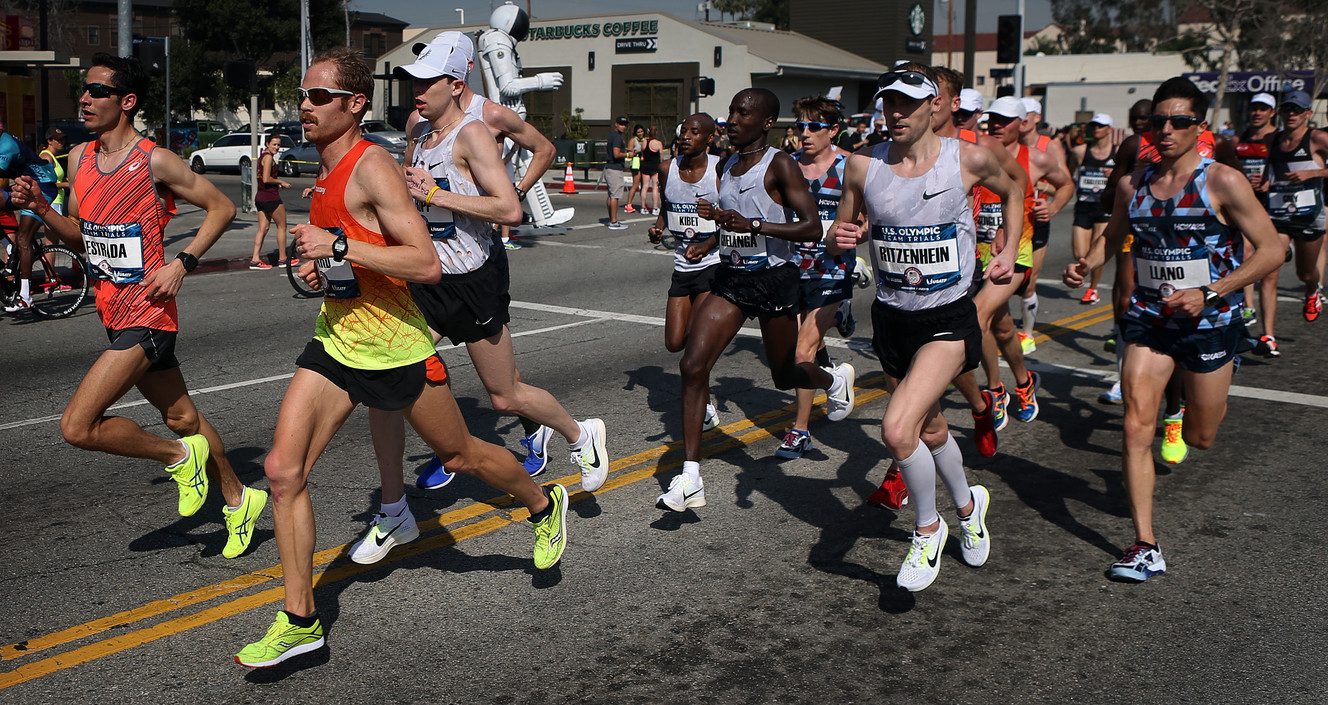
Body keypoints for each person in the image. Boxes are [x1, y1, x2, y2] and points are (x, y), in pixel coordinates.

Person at [234, 47, 569, 668]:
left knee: (460, 455)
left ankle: (543, 505)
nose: (305, 106)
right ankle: (300, 620)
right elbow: (351, 259)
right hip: (338, 339)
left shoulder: (373, 168)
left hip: (395, 344)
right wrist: (319, 266)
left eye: (319, 97)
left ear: (354, 105)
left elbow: (425, 263)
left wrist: (336, 243)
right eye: (303, 97)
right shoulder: (324, 170)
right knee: (283, 471)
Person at [347, 32, 608, 565]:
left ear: (456, 83)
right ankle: (394, 508)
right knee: (386, 377)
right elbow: (411, 190)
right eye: (411, 83)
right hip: (428, 277)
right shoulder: (418, 126)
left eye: (425, 83)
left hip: (474, 279)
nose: (414, 92)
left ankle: (581, 433)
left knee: (505, 397)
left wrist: (437, 194)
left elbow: (510, 210)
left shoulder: (475, 134)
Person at [9, 54, 266, 561]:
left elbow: (223, 207)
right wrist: (42, 207)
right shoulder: (80, 159)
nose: (84, 98)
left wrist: (182, 263)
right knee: (184, 418)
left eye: (97, 91)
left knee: (78, 427)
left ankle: (178, 460)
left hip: (149, 314)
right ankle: (239, 499)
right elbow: (82, 238)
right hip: (111, 311)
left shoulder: (155, 160)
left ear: (125, 102)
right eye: (84, 90)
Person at [1064, 76, 1282, 583]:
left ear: (1198, 126)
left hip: (1211, 321)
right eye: (1157, 121)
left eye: (1178, 121)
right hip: (1149, 317)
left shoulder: (1222, 181)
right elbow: (1113, 236)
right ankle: (1145, 544)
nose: (1165, 129)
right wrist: (1086, 262)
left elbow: (1273, 249)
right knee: (1136, 425)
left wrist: (1212, 291)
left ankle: (1184, 411)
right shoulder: (1131, 183)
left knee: (1203, 438)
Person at [831, 66, 1023, 592]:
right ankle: (969, 506)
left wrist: (1007, 251)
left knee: (897, 431)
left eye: (907, 105)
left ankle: (928, 527)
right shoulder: (863, 165)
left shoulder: (969, 158)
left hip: (947, 319)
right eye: (887, 104)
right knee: (931, 429)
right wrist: (839, 236)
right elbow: (837, 236)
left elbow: (1015, 189)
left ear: (933, 106)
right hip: (892, 317)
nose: (895, 114)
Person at [657, 88, 856, 512]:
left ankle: (833, 380)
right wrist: (716, 230)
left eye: (743, 113)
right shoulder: (726, 165)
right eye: (731, 111)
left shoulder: (779, 164)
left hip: (774, 280)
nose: (732, 119)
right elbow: (735, 223)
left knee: (786, 376)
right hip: (730, 277)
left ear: (766, 123)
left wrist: (757, 224)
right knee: (692, 365)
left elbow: (810, 227)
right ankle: (690, 477)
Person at [975, 96, 1072, 427]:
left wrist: (1053, 207)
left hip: (1018, 250)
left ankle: (994, 390)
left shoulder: (1038, 159)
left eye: (1005, 120)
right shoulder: (976, 154)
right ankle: (1024, 381)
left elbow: (1066, 183)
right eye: (993, 120)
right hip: (978, 251)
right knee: (1001, 328)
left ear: (1022, 123)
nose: (997, 125)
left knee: (979, 316)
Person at [773, 95, 859, 460]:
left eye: (814, 127)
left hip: (833, 269)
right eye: (800, 126)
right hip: (793, 269)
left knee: (800, 350)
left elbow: (870, 219)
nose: (804, 134)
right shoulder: (787, 166)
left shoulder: (851, 166)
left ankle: (800, 431)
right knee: (804, 347)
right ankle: (833, 366)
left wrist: (854, 235)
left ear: (833, 130)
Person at [648, 113, 722, 431]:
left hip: (712, 266)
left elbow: (735, 217)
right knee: (674, 342)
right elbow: (668, 204)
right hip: (682, 266)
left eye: (695, 132)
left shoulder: (720, 170)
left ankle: (703, 404)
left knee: (694, 346)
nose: (686, 136)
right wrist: (659, 226)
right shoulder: (668, 169)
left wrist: (709, 244)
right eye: (684, 131)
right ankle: (702, 396)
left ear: (709, 138)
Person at [1251, 89, 1328, 358]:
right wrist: (1264, 182)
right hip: (1279, 215)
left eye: (1297, 110)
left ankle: (1311, 291)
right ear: (1281, 112)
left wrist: (1315, 172)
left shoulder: (1318, 138)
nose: (1291, 114)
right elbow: (1270, 169)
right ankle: (1268, 336)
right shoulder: (1274, 138)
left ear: (1308, 114)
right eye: (1287, 109)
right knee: (1269, 272)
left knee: (1305, 274)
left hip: (1308, 216)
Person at [1017, 97, 1073, 356]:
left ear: (1037, 117)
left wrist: (1047, 202)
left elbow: (1064, 184)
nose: (1022, 119)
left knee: (1029, 281)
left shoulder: (1049, 147)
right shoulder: (1006, 144)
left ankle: (1027, 334)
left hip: (1035, 220)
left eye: (1026, 114)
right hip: (1005, 221)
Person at [1, 120, 58, 313]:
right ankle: (9, 246)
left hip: (43, 186)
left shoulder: (6, 145)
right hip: (27, 184)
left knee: (24, 239)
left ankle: (26, 296)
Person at [1065, 114, 1117, 308]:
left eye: (1101, 126)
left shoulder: (1117, 152)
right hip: (1084, 206)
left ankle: (1093, 288)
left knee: (1097, 248)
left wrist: (1114, 176)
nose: (1096, 129)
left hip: (1105, 207)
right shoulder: (1080, 152)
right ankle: (1086, 280)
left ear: (1109, 129)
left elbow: (1127, 178)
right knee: (1080, 254)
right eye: (1094, 126)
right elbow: (1067, 175)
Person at [1235, 92, 1278, 327]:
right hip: (1248, 202)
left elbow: (1286, 166)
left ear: (1272, 113)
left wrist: (1270, 181)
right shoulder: (1240, 139)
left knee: (1271, 261)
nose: (1257, 113)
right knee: (1245, 251)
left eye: (1263, 109)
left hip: (1275, 203)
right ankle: (1248, 306)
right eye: (1254, 108)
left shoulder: (1278, 138)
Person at [249, 134, 293, 270]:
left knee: (263, 228)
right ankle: (283, 258)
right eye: (274, 144)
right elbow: (266, 179)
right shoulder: (268, 158)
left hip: (261, 197)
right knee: (282, 226)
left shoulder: (263, 156)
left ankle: (255, 259)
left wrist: (276, 183)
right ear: (267, 144)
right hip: (270, 197)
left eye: (278, 145)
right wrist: (281, 182)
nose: (277, 147)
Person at [604, 116, 629, 229]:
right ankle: (614, 222)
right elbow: (616, 154)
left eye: (625, 125)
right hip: (615, 169)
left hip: (609, 168)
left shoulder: (612, 136)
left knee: (611, 195)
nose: (623, 127)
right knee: (615, 196)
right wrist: (628, 154)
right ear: (616, 124)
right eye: (621, 124)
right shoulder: (617, 138)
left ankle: (611, 220)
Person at [39, 127, 69, 216]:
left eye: (63, 139)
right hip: (52, 201)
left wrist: (65, 179)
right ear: (49, 141)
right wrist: (68, 184)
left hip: (56, 200)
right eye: (58, 140)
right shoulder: (46, 157)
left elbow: (55, 179)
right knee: (53, 229)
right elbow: (46, 185)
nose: (62, 142)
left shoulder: (52, 157)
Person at [640, 125, 663, 215]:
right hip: (655, 166)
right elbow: (661, 156)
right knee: (655, 187)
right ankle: (655, 207)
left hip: (645, 166)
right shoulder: (658, 143)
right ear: (656, 132)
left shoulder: (644, 142)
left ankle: (643, 207)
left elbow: (642, 153)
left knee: (645, 186)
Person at [625, 124, 646, 213]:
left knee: (644, 185)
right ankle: (628, 204)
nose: (640, 133)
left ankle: (643, 204)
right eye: (638, 132)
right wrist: (637, 151)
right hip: (635, 163)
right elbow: (629, 153)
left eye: (641, 131)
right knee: (636, 184)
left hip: (644, 163)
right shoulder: (633, 141)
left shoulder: (645, 140)